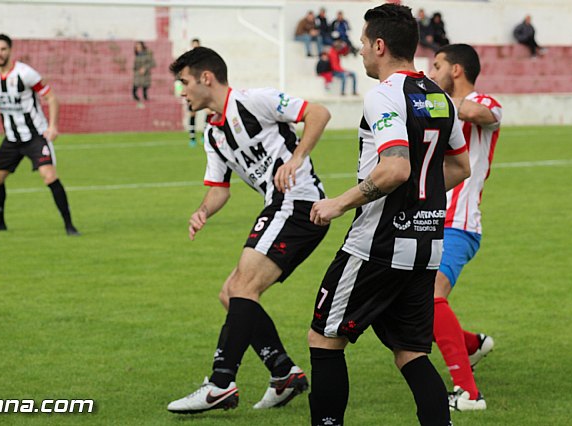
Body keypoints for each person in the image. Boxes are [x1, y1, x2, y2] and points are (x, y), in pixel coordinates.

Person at [307, 4, 470, 425]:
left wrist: (337, 204)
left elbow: (395, 167)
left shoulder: (384, 93)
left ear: (379, 46)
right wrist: (420, 201)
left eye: (363, 43)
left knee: (325, 338)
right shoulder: (440, 96)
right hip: (427, 246)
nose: (360, 51)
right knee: (410, 352)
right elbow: (458, 167)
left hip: (376, 246)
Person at [166, 46, 332, 414]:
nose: (182, 91)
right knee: (232, 294)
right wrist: (202, 211)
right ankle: (283, 372)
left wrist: (297, 157)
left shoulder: (255, 101)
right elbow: (219, 189)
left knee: (242, 287)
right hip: (282, 207)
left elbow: (318, 113)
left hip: (298, 202)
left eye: (184, 82)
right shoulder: (213, 134)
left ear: (206, 78)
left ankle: (220, 383)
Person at [429, 43, 502, 412]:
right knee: (409, 304)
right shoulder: (438, 108)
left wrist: (433, 100)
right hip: (429, 219)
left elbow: (481, 113)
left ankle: (469, 394)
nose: (432, 71)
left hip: (460, 222)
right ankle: (471, 345)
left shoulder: (482, 102)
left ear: (456, 70)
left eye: (437, 65)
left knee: (430, 296)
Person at [0, 34, 79, 236]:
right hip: (12, 139)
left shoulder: (25, 73)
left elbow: (51, 97)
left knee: (49, 176)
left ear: (10, 50)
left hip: (35, 136)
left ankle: (69, 225)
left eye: (3, 49)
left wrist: (53, 126)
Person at [187, 38, 202, 147]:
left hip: (202, 89)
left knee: (208, 111)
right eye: (194, 46)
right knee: (192, 112)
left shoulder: (204, 61)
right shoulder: (188, 61)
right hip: (192, 90)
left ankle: (204, 135)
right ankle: (192, 137)